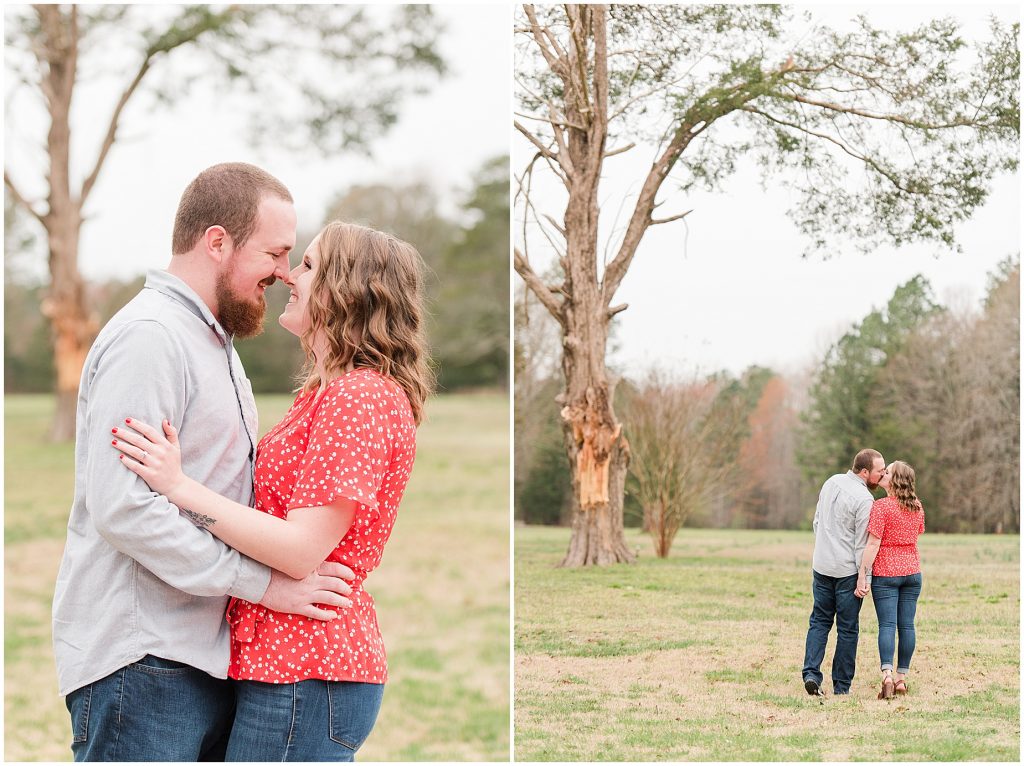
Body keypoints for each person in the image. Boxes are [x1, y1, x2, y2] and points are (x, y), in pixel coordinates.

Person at [52, 163, 356, 762]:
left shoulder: (211, 341)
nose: (284, 272)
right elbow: (124, 509)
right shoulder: (151, 336)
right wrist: (262, 585)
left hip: (197, 653)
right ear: (217, 242)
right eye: (275, 253)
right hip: (143, 658)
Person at [110, 220, 433, 761]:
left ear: (347, 290)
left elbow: (302, 548)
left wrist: (178, 486)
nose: (288, 274)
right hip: (281, 662)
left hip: (309, 666)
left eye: (307, 265)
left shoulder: (360, 397)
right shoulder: (324, 393)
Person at [802, 448, 886, 697]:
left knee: (819, 621)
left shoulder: (831, 482)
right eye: (879, 472)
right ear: (864, 472)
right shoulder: (864, 500)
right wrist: (865, 577)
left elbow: (817, 521)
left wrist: (826, 548)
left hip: (822, 565)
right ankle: (842, 686)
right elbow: (863, 544)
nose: (882, 476)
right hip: (847, 572)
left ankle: (811, 673)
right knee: (848, 629)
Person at [855, 461, 924, 700]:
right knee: (907, 626)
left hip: (886, 572)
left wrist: (863, 573)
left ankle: (887, 675)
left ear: (894, 480)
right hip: (913, 572)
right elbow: (917, 533)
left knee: (887, 625)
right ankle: (901, 679)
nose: (883, 473)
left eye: (887, 472)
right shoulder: (916, 505)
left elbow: (873, 543)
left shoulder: (881, 507)